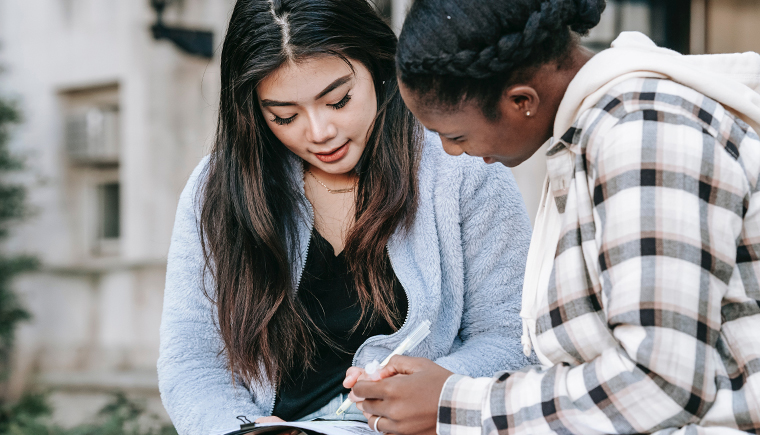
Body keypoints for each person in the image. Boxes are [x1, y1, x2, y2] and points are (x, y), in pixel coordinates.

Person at [346, 0, 760, 433]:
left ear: (521, 100)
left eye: (455, 135)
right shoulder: (599, 131)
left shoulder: (644, 136)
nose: (451, 152)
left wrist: (454, 403)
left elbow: (658, 384)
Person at [156, 1, 535, 434]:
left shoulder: (460, 163)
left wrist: (439, 391)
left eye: (338, 101)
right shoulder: (218, 187)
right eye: (285, 115)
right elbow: (193, 361)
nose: (319, 132)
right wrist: (243, 428)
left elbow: (512, 336)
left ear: (377, 66)